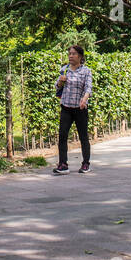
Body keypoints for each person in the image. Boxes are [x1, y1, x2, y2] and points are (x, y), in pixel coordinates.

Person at [53, 45, 93, 174]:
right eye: (69, 53)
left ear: (80, 56)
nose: (70, 56)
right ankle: (63, 164)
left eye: (74, 54)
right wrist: (60, 82)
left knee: (83, 136)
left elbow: (88, 88)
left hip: (80, 108)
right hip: (66, 107)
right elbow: (57, 86)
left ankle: (86, 163)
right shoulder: (64, 70)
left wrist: (84, 99)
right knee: (62, 136)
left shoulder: (86, 71)